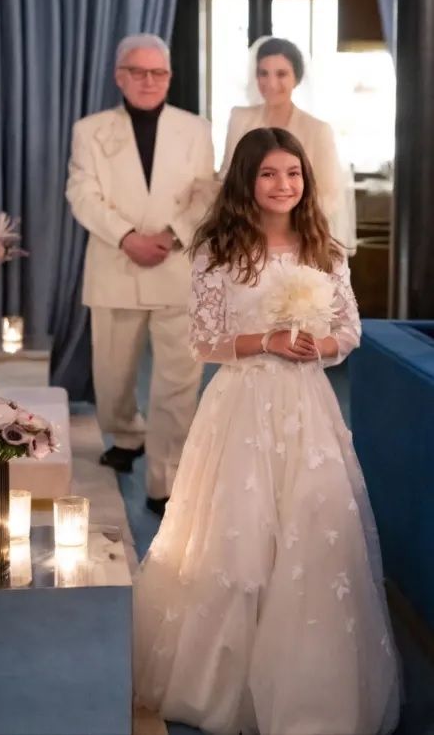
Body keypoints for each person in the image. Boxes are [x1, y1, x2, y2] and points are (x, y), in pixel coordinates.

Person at [134, 127, 399, 734]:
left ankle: (309, 689)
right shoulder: (218, 250)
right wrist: (266, 341)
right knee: (238, 535)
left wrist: (319, 346)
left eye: (293, 173)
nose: (284, 185)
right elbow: (203, 341)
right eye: (269, 174)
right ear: (246, 181)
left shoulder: (325, 248)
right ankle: (221, 680)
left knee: (314, 526)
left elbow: (350, 330)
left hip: (307, 408)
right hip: (241, 407)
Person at [66, 33, 215, 516]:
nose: (149, 81)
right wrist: (127, 236)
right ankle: (127, 434)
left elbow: (206, 194)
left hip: (177, 266)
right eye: (139, 72)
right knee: (112, 378)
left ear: (169, 77)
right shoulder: (90, 130)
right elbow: (82, 193)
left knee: (178, 385)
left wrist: (172, 234)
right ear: (120, 77)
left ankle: (165, 479)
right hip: (117, 263)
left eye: (159, 72)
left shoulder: (196, 129)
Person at [221, 36, 356, 252]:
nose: (271, 83)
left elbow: (330, 195)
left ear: (297, 78)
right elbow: (228, 177)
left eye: (281, 74)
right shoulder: (239, 118)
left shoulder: (318, 130)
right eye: (263, 73)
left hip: (299, 239)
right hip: (245, 236)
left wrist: (288, 227)